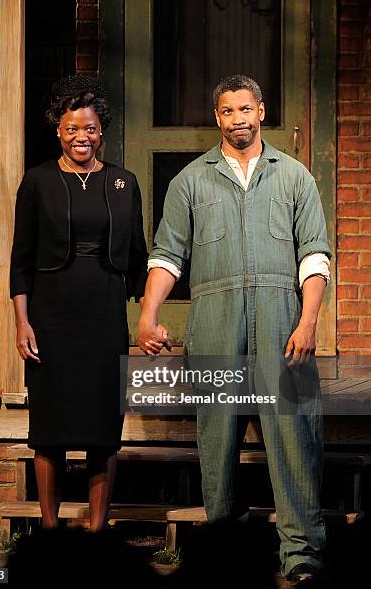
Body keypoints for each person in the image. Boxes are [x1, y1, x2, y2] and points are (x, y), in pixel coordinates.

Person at [137, 75, 331, 584]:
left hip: (284, 324)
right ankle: (225, 552)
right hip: (215, 325)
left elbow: (314, 255)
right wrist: (147, 314)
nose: (238, 119)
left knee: (295, 436)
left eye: (245, 108)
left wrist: (308, 320)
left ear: (260, 111)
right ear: (217, 117)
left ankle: (302, 554)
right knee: (216, 439)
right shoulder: (189, 182)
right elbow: (167, 254)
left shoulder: (294, 177)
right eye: (227, 111)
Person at [10, 74, 147, 532]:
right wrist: (22, 323)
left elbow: (140, 261)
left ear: (100, 130)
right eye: (72, 129)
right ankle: (49, 529)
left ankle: (96, 530)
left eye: (88, 128)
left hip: (106, 315)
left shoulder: (123, 183)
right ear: (58, 131)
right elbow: (20, 261)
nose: (81, 137)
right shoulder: (38, 182)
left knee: (102, 430)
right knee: (49, 430)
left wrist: (147, 320)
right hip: (52, 316)